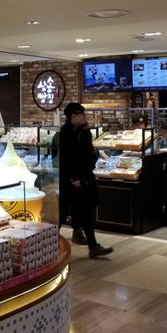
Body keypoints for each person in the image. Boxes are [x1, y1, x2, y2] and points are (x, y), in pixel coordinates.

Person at [58, 102, 113, 258]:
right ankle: (46, 245)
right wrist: (73, 178)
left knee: (84, 212)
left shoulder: (83, 132)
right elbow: (66, 159)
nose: (85, 117)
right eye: (82, 114)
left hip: (82, 178)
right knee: (62, 213)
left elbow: (88, 154)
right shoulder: (65, 134)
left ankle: (93, 246)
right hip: (71, 181)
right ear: (73, 116)